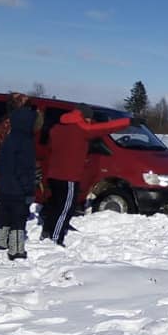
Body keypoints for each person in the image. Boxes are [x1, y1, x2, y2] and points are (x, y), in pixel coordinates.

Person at [42, 104, 130, 245]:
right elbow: (104, 128)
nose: (90, 122)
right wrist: (128, 122)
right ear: (84, 117)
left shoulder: (57, 128)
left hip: (53, 174)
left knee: (55, 206)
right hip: (68, 177)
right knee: (66, 208)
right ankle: (55, 238)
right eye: (89, 119)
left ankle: (46, 232)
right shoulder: (82, 129)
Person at [0, 108, 39, 260]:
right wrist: (29, 190)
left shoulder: (9, 138)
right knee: (18, 220)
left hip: (4, 187)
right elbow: (25, 169)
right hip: (19, 190)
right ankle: (16, 249)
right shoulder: (26, 142)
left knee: (4, 215)